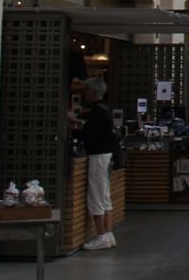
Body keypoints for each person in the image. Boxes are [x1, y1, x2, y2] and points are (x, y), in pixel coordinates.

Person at [73, 76, 118, 250]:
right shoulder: (105, 109)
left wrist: (76, 129)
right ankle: (108, 234)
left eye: (85, 91)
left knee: (96, 197)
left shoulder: (97, 111)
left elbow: (89, 136)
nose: (84, 94)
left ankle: (101, 235)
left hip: (98, 156)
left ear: (93, 92)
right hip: (107, 156)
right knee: (105, 196)